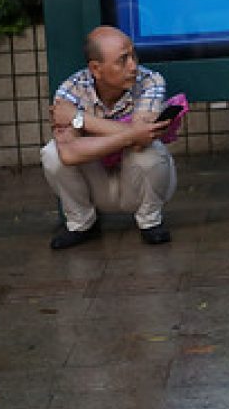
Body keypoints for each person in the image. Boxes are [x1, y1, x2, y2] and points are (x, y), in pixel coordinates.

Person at [41, 25, 177, 249]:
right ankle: (81, 222)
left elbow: (144, 138)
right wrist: (132, 133)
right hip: (97, 181)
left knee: (151, 152)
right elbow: (68, 153)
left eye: (133, 55)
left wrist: (80, 119)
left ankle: (150, 221)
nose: (133, 65)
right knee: (52, 154)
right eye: (123, 60)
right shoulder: (70, 90)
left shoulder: (151, 81)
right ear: (96, 68)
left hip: (137, 181)